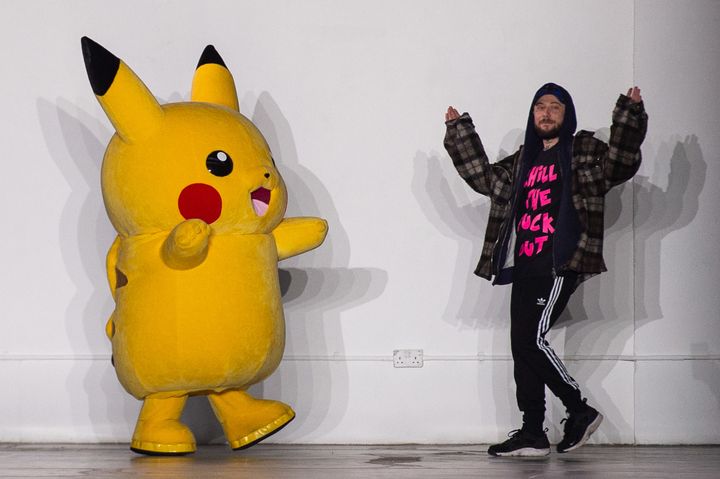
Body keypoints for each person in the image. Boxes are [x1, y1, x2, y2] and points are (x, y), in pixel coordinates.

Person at [443, 83, 647, 456]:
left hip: (560, 262)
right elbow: (484, 179)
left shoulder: (583, 150)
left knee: (530, 341)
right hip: (525, 264)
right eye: (540, 106)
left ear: (566, 115)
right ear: (532, 114)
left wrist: (629, 116)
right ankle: (533, 432)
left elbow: (620, 164)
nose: (547, 113)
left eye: (555, 107)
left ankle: (578, 408)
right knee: (521, 347)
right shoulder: (524, 159)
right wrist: (461, 135)